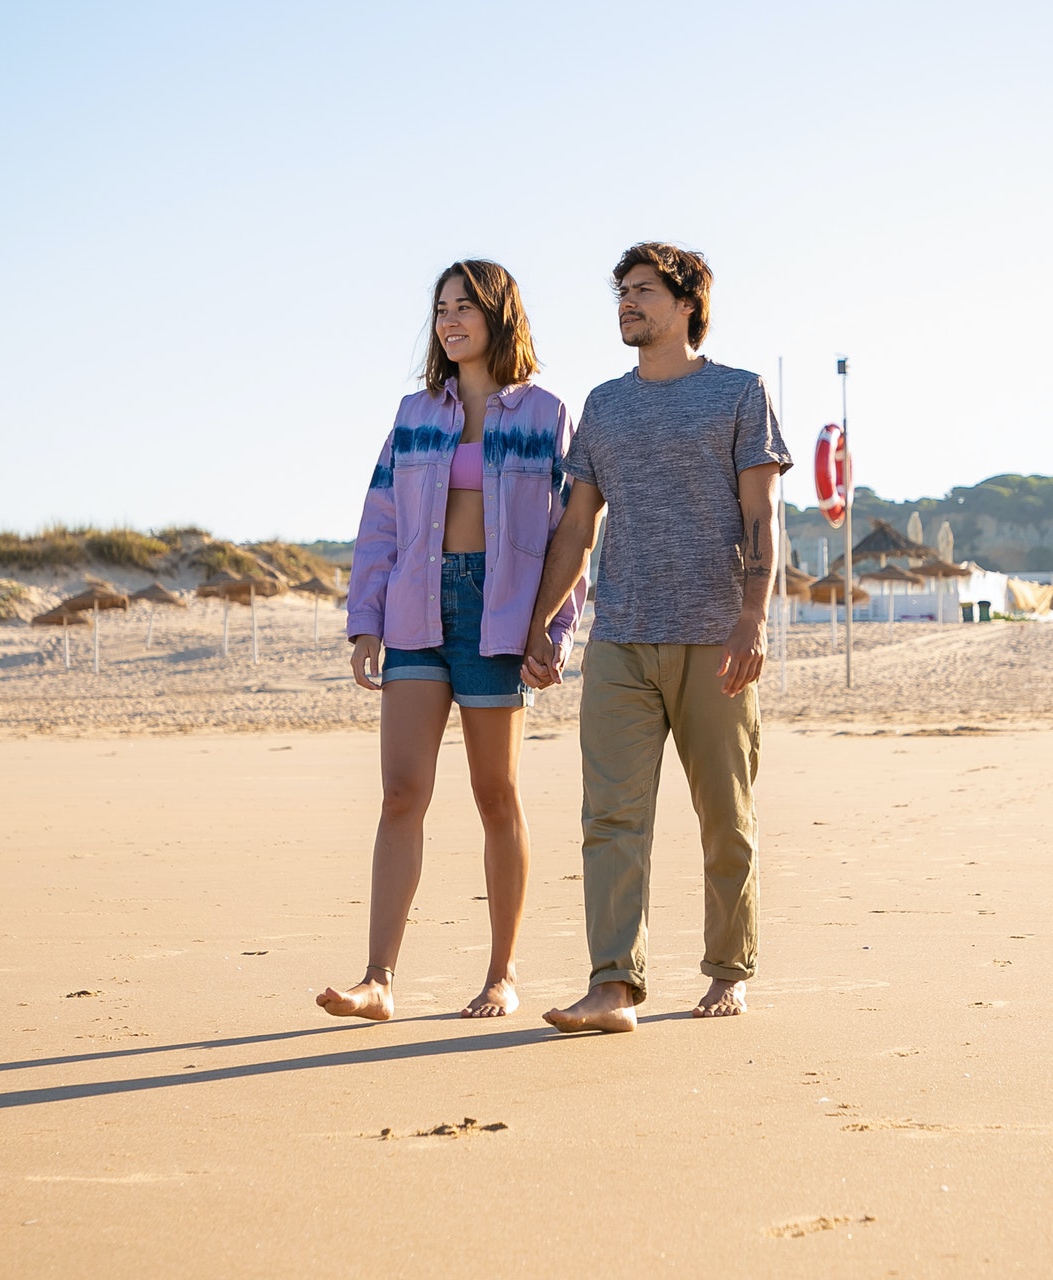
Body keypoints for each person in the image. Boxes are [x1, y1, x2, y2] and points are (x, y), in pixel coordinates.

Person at [521, 242, 790, 1033]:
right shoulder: (604, 405)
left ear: (686, 305)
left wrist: (753, 615)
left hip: (715, 636)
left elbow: (761, 515)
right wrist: (542, 618)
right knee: (609, 817)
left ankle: (729, 970)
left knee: (724, 815)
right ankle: (613, 987)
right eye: (622, 293)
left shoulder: (739, 394)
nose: (627, 304)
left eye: (643, 291)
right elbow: (576, 526)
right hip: (623, 636)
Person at [318, 260, 584, 1022]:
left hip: (498, 616)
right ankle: (378, 979)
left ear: (500, 314)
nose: (450, 321)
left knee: (495, 795)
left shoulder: (545, 413)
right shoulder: (413, 414)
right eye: (441, 309)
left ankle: (501, 975)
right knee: (401, 792)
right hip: (414, 610)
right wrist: (365, 620)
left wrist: (554, 630)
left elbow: (573, 532)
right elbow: (382, 522)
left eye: (465, 306)